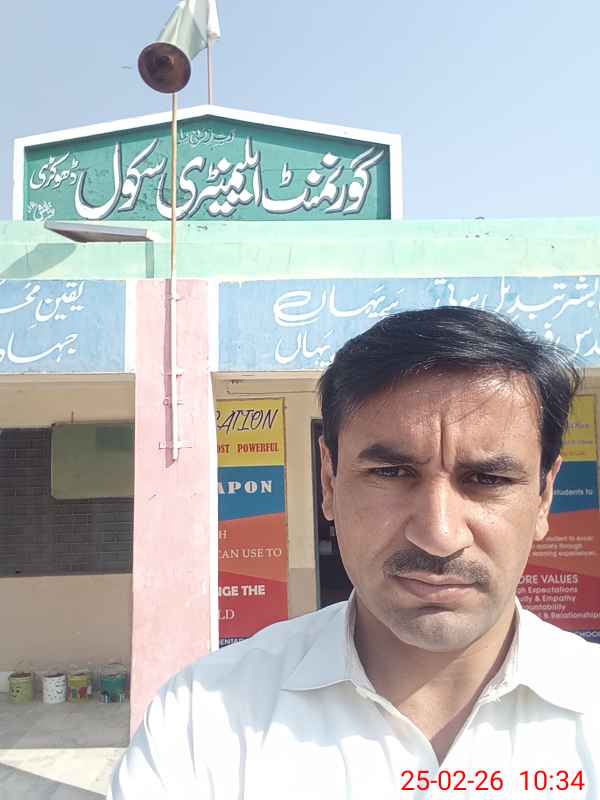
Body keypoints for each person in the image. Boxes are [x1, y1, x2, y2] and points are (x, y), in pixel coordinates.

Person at [108, 306, 600, 800]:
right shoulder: (203, 722)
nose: (439, 535)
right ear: (329, 481)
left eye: (488, 479)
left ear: (543, 497)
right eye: (391, 473)